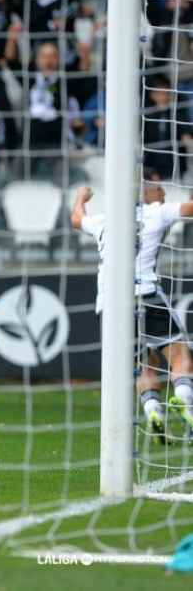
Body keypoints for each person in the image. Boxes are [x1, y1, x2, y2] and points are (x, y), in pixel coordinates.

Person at [71, 183, 193, 440]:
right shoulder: (157, 212)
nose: (163, 193)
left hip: (109, 303)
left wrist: (82, 196)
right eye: (159, 189)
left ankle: (152, 410)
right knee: (180, 357)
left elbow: (76, 219)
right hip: (145, 294)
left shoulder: (103, 220)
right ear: (146, 193)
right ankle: (184, 400)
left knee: (143, 363)